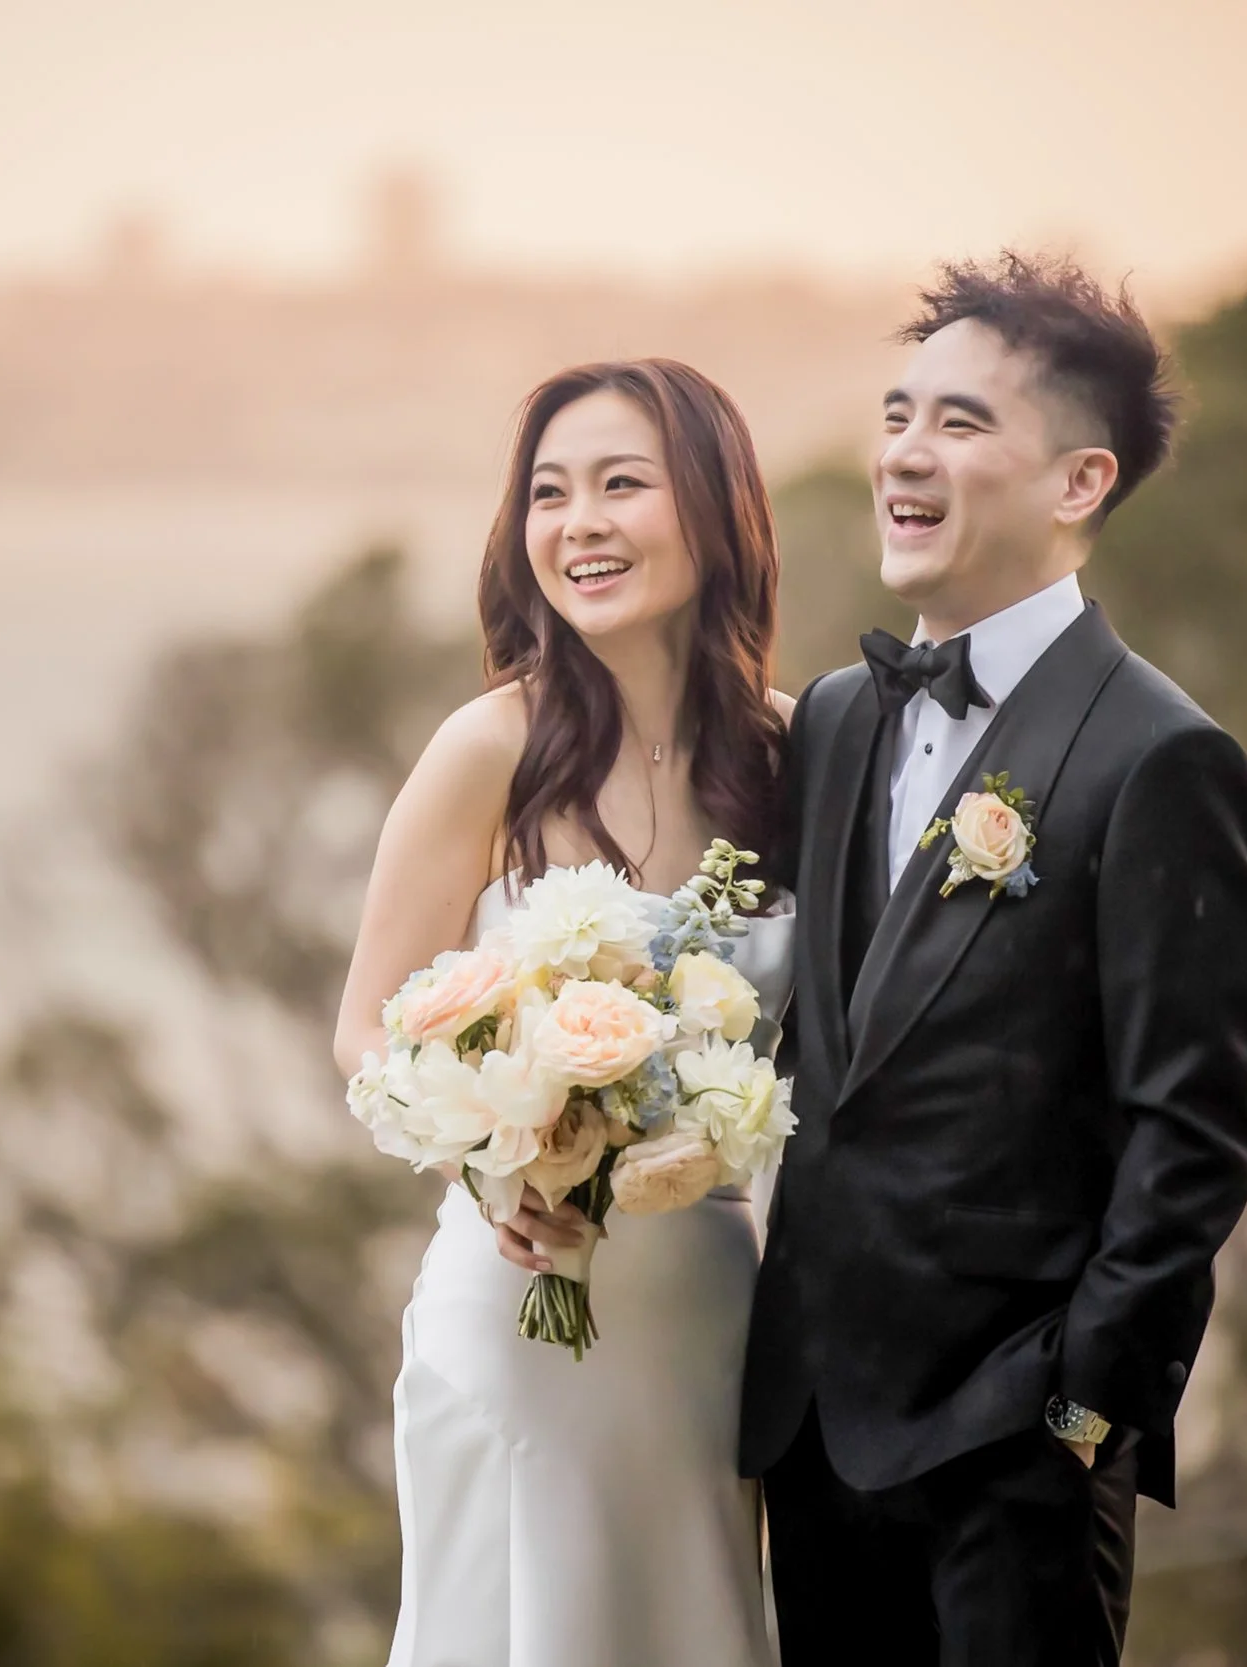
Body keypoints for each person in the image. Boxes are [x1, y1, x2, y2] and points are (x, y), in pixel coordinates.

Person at [742, 253, 1247, 1664]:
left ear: (1079, 482)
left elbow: (1194, 1133)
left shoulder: (1161, 758)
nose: (904, 453)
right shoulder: (835, 717)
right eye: (898, 414)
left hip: (1016, 1451)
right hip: (814, 1432)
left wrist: (1081, 1411)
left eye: (961, 422)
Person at [333, 359, 793, 1667]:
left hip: (709, 1321)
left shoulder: (794, 752)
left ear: (714, 509)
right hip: (522, 1301)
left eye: (620, 484)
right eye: (549, 492)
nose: (579, 522)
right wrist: (498, 1161)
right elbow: (367, 1029)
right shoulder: (490, 749)